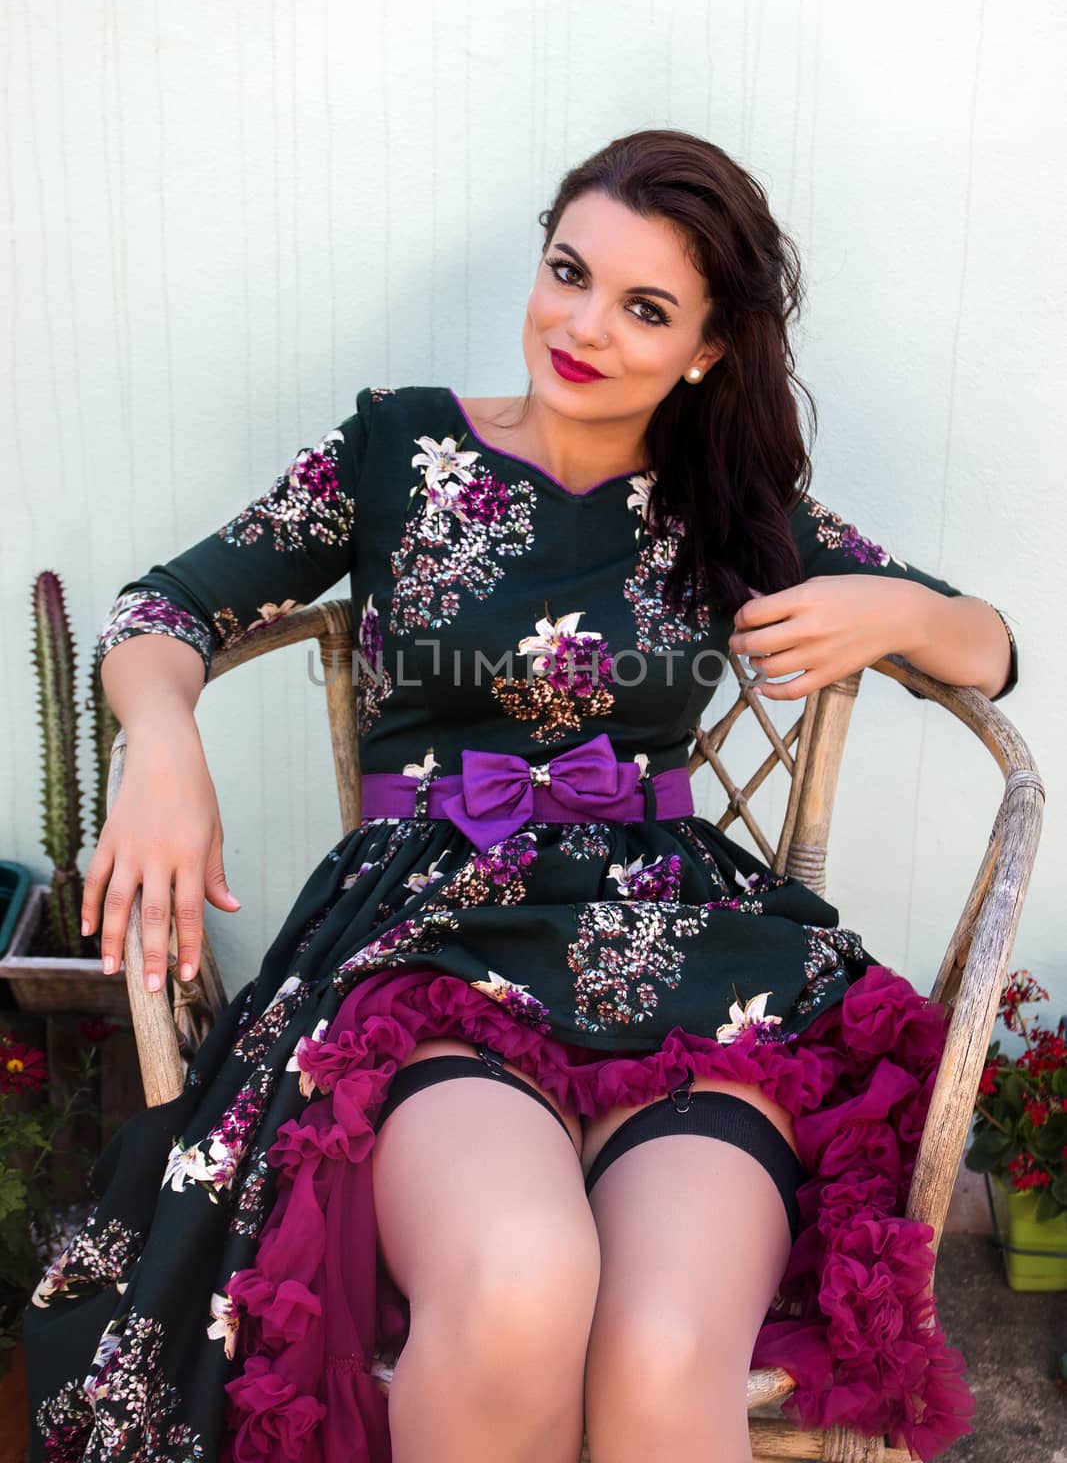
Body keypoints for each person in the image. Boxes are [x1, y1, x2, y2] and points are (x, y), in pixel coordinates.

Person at [22, 128, 1016, 1463]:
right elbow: (166, 609)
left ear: (706, 350)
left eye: (645, 308)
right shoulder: (397, 448)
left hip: (687, 958)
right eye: (570, 272)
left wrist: (891, 606)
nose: (584, 325)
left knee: (667, 1351)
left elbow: (989, 648)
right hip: (438, 941)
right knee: (519, 1283)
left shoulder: (729, 503)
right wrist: (162, 742)